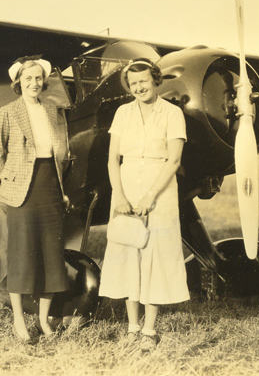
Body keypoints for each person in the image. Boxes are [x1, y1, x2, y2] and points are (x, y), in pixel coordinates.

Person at [98, 58, 190, 352]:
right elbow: (113, 159)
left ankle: (149, 331)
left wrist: (150, 195)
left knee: (155, 257)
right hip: (125, 188)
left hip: (160, 190)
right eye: (133, 83)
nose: (139, 87)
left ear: (155, 80)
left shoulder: (172, 113)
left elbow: (174, 160)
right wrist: (120, 195)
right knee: (129, 254)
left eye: (144, 81)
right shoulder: (123, 113)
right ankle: (132, 327)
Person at [0, 56, 69, 344]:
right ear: (18, 83)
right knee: (21, 255)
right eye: (28, 79)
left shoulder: (51, 109)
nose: (34, 83)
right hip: (22, 191)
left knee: (51, 256)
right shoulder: (8, 112)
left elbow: (58, 154)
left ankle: (43, 320)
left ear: (44, 81)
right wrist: (11, 180)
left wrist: (61, 189)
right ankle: (19, 321)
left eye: (38, 78)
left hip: (50, 186)